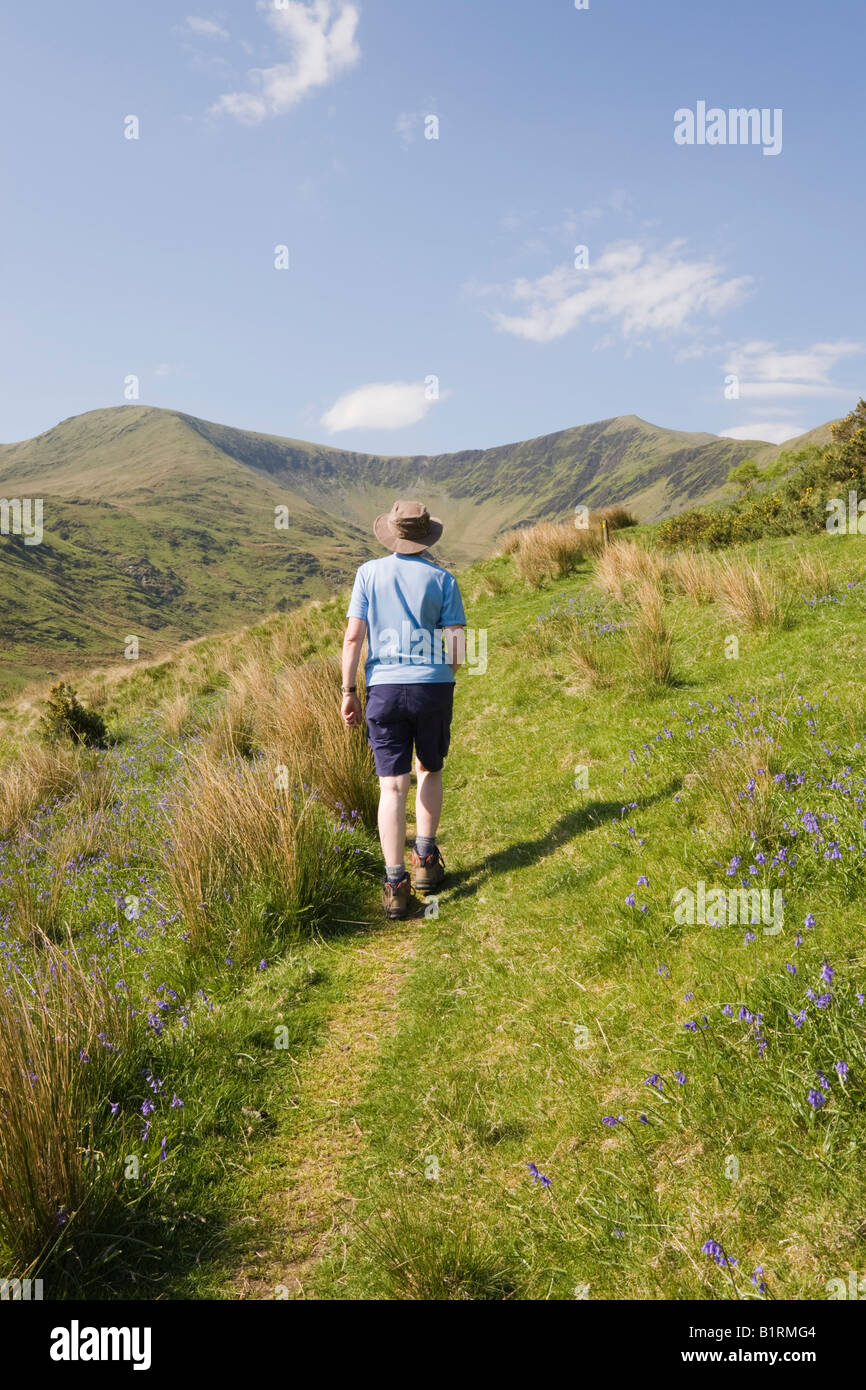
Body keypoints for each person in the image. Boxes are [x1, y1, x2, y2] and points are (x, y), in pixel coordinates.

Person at [340, 499, 466, 919]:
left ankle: (395, 885)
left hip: (383, 690)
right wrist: (443, 676)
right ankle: (426, 863)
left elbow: (353, 637)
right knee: (430, 768)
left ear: (392, 533)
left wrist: (348, 689)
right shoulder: (443, 579)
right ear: (426, 535)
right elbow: (457, 645)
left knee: (392, 787)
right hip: (432, 686)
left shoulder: (368, 574)